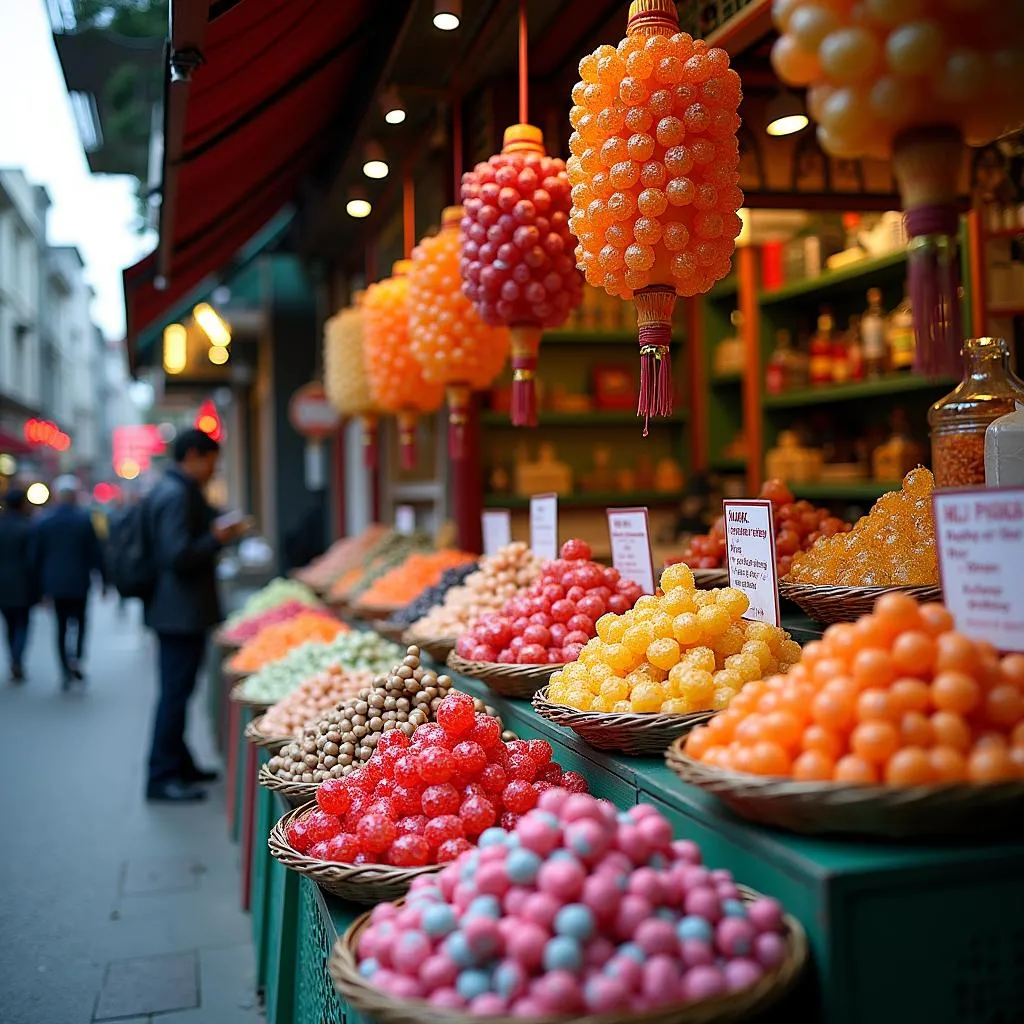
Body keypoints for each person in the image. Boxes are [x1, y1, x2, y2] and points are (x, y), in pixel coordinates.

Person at [143, 429, 246, 802]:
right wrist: (216, 538)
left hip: (178, 611)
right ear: (193, 456)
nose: (213, 469)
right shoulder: (174, 496)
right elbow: (177, 555)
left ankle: (179, 764)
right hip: (178, 613)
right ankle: (162, 775)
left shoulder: (176, 491)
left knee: (180, 691)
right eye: (211, 461)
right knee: (174, 693)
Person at [34, 475, 106, 690]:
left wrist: (38, 588)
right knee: (81, 623)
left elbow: (36, 557)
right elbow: (96, 554)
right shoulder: (83, 521)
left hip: (55, 584)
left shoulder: (45, 521)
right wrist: (104, 581)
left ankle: (66, 666)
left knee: (61, 626)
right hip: (79, 582)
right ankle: (76, 659)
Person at [0, 489, 37, 682]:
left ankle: (13, 658)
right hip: (23, 583)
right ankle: (17, 658)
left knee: (9, 624)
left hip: (3, 585)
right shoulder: (27, 527)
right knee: (22, 623)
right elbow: (33, 559)